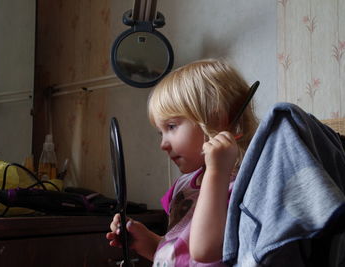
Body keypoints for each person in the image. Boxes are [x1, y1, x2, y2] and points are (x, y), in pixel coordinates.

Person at [106, 59, 259, 266]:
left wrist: (217, 172)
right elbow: (183, 256)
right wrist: (149, 242)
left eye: (171, 126)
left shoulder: (243, 187)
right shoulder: (183, 186)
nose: (163, 144)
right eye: (160, 132)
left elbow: (205, 252)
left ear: (218, 119)